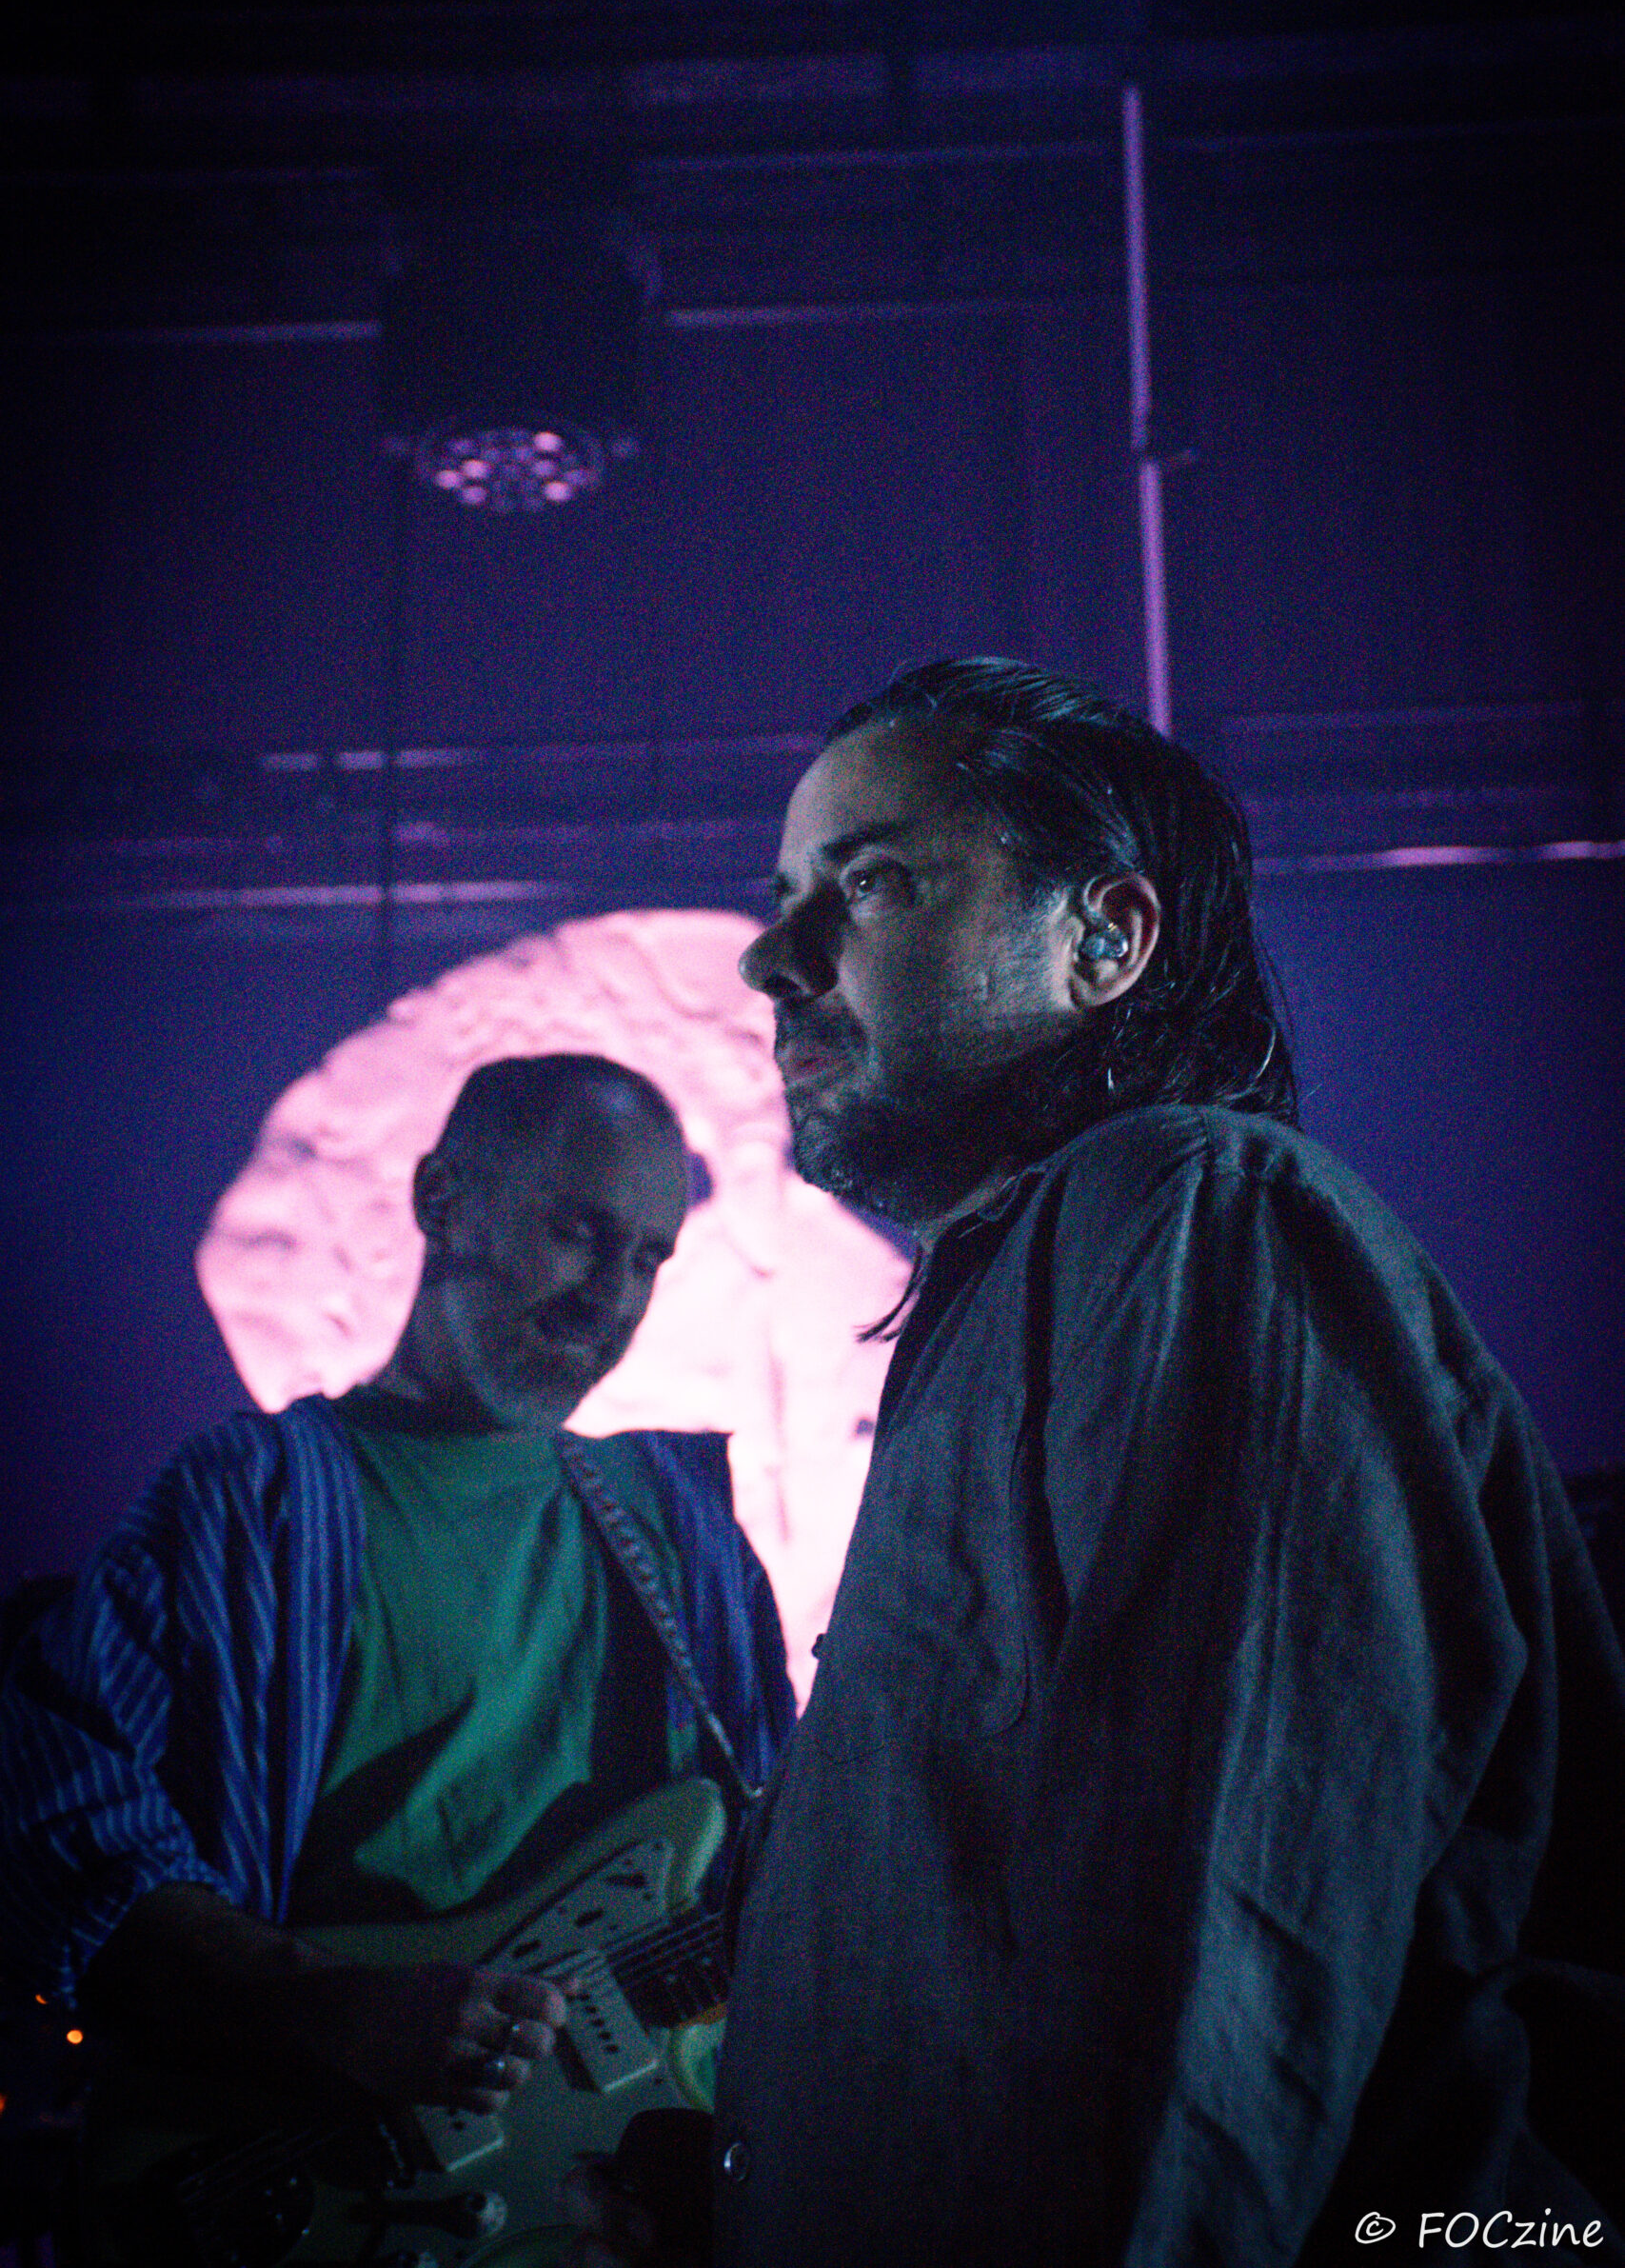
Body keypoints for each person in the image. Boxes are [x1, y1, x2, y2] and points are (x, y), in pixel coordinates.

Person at [568, 661, 1625, 2268]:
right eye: (782, 900)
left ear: (1104, 940)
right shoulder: (1012, 1304)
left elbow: (1208, 1952)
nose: (771, 958)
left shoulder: (1191, 1210)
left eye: (869, 883)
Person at [0, 1052, 792, 2134]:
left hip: (613, 2183)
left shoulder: (683, 1526)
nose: (612, 1294)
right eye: (577, 1231)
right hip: (305, 2163)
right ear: (441, 1199)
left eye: (648, 1257)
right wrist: (321, 2004)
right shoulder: (252, 1498)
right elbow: (51, 1803)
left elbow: (770, 1870)